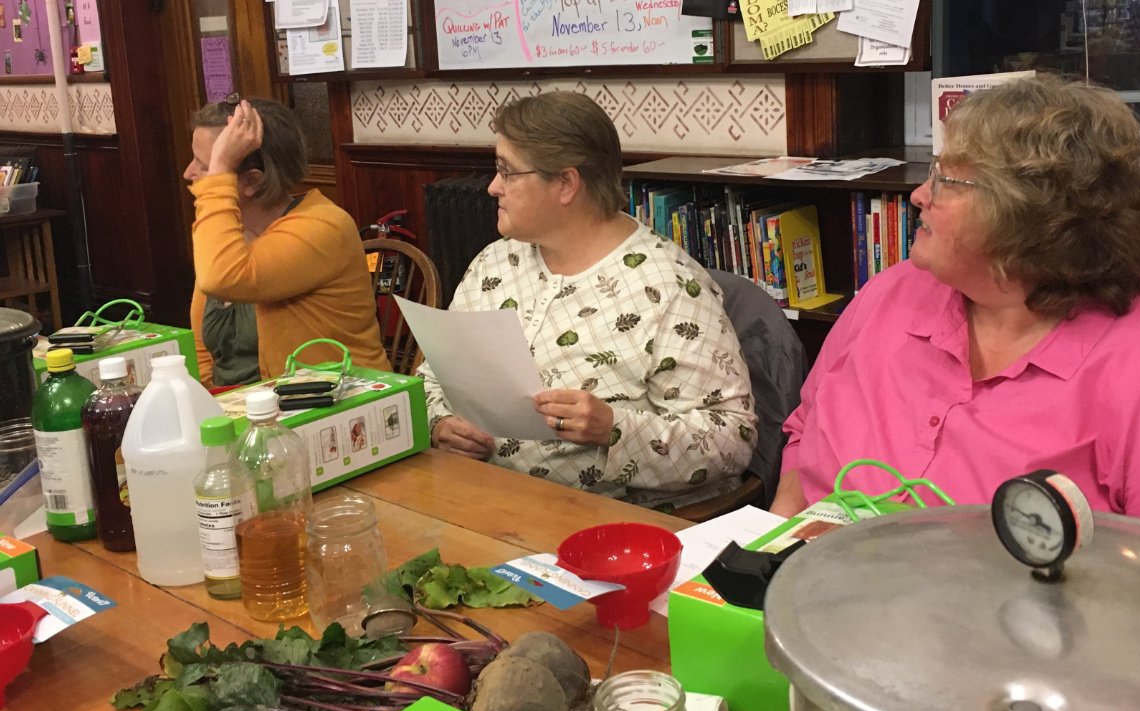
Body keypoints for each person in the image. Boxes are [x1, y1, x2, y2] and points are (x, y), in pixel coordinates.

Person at [773, 73, 1140, 531]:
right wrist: (767, 546)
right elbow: (806, 430)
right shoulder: (890, 293)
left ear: (1027, 212)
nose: (919, 195)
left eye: (946, 180)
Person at [417, 92, 757, 512]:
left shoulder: (671, 286)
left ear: (565, 183)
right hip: (482, 498)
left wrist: (614, 429)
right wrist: (440, 425)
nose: (492, 187)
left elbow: (732, 440)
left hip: (608, 525)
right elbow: (434, 375)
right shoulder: (495, 262)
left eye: (507, 171)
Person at [185, 95, 389, 385]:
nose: (188, 173)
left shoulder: (323, 226)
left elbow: (221, 277)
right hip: (261, 411)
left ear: (253, 181)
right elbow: (202, 352)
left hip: (342, 408)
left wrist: (218, 176)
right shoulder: (225, 231)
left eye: (205, 165)